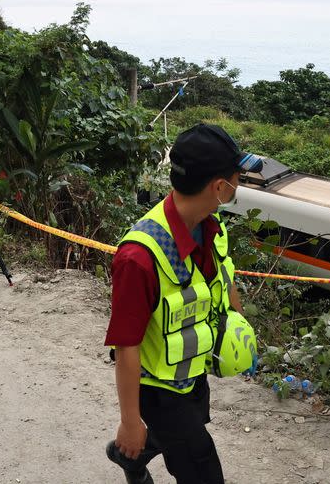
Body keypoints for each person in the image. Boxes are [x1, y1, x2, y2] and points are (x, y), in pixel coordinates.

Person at [104, 123, 263, 484]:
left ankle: (131, 456)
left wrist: (241, 330)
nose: (239, 186)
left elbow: (225, 278)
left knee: (178, 433)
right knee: (201, 466)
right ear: (220, 187)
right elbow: (126, 344)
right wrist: (131, 421)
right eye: (238, 178)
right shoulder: (139, 257)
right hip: (157, 388)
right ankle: (133, 445)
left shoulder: (210, 225)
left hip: (192, 373)